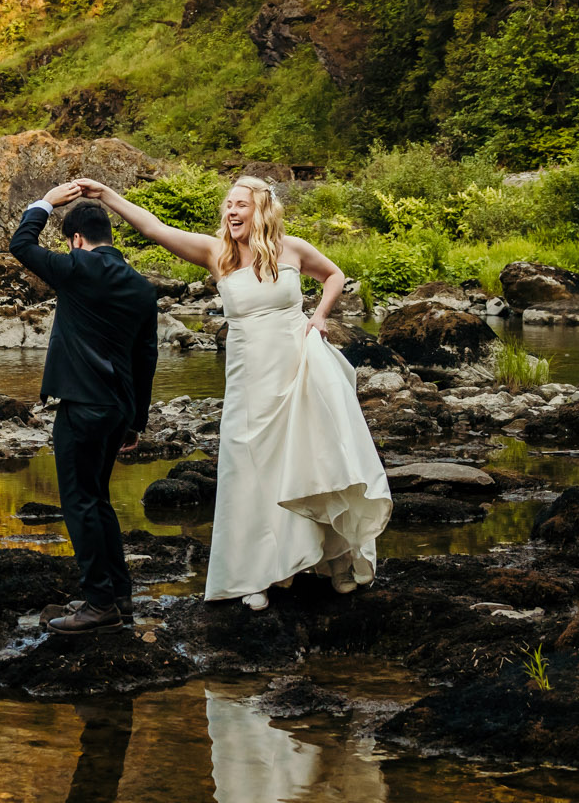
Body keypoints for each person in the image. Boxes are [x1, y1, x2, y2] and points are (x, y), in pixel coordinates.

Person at [74, 174, 389, 609]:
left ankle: (335, 559)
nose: (231, 212)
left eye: (240, 204)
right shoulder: (215, 254)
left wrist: (318, 318)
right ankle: (255, 573)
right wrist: (107, 195)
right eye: (228, 205)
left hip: (298, 371)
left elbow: (334, 275)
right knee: (251, 470)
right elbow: (154, 228)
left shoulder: (292, 248)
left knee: (313, 459)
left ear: (261, 210)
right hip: (249, 380)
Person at [9, 181, 160, 633]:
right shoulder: (141, 288)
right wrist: (136, 421)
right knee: (99, 501)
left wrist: (46, 202)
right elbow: (146, 359)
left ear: (76, 239)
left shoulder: (76, 268)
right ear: (107, 237)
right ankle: (120, 596)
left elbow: (21, 244)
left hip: (82, 404)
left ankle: (98, 605)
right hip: (117, 409)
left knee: (78, 503)